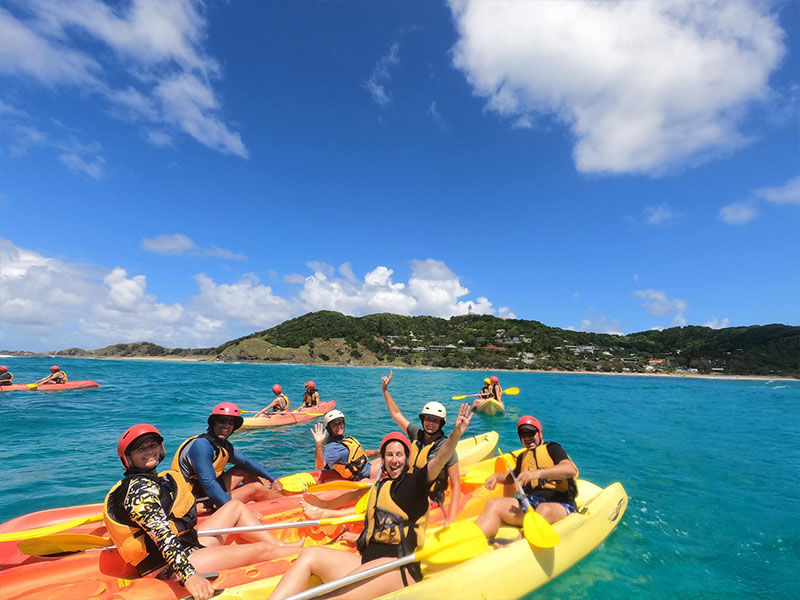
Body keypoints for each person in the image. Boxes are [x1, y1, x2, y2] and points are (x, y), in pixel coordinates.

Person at [268, 403, 473, 600]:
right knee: (310, 554)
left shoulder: (414, 484)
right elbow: (381, 526)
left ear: (407, 459)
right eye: (390, 455)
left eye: (400, 455)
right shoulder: (379, 487)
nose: (395, 460)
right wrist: (356, 536)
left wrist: (455, 435)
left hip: (396, 568)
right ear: (382, 459)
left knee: (320, 597)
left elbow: (438, 461)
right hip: (368, 563)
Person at [104, 424, 302, 600]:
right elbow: (162, 535)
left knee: (235, 507)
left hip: (188, 545)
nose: (149, 452)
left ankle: (280, 545)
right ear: (128, 458)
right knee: (261, 550)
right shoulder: (139, 490)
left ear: (161, 448)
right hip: (168, 566)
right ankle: (303, 554)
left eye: (152, 446)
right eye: (141, 449)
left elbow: (177, 516)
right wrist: (189, 575)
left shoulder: (157, 481)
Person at [475, 415, 579, 541]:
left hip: (560, 505)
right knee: (494, 504)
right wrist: (496, 477)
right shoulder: (523, 457)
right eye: (523, 435)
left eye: (531, 433)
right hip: (531, 504)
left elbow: (570, 470)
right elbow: (513, 476)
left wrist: (537, 473)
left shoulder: (553, 448)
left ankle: (514, 546)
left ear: (539, 433)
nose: (528, 438)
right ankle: (475, 540)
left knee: (543, 509)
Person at [380, 370, 462, 524]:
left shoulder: (446, 447)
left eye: (435, 420)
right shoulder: (417, 434)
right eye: (428, 419)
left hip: (431, 496)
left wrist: (451, 518)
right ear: (423, 420)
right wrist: (385, 390)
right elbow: (397, 415)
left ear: (441, 424)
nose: (431, 423)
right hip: (410, 486)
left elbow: (456, 484)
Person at [172, 402, 283, 511]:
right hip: (193, 498)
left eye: (231, 423)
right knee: (255, 489)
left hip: (205, 490)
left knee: (244, 470)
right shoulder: (202, 445)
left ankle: (270, 497)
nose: (227, 426)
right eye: (222, 421)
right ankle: (287, 503)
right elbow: (209, 484)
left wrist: (273, 478)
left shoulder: (222, 446)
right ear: (213, 423)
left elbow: (246, 462)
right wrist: (233, 511)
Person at [312, 410, 380, 482]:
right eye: (334, 424)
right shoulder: (333, 448)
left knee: (385, 457)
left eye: (340, 422)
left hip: (366, 467)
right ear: (329, 428)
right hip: (362, 477)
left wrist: (377, 452)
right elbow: (319, 466)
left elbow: (361, 454)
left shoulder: (345, 438)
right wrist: (318, 445)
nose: (339, 426)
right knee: (387, 464)